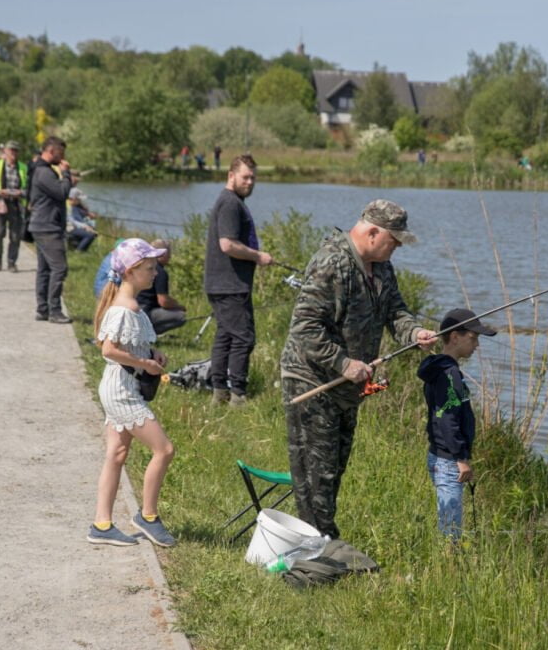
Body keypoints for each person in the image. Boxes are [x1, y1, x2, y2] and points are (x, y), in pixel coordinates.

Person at [280, 200, 438, 538]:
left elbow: (395, 311)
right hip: (311, 381)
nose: (397, 247)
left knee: (333, 470)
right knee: (316, 476)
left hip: (347, 389)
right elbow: (305, 327)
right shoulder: (331, 262)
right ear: (372, 232)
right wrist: (343, 362)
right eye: (394, 240)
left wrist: (414, 333)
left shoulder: (382, 267)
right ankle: (317, 546)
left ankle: (318, 543)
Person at [88, 238, 176, 547]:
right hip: (121, 391)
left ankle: (101, 525)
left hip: (121, 386)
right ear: (130, 272)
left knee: (117, 453)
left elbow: (131, 343)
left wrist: (153, 353)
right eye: (149, 268)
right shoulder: (123, 310)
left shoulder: (133, 307)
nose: (155, 273)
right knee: (164, 450)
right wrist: (144, 364)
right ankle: (147, 516)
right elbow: (108, 349)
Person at [417, 308, 496, 540]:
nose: (477, 345)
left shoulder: (440, 368)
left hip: (441, 455)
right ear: (454, 337)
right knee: (451, 530)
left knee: (449, 521)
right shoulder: (449, 373)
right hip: (449, 460)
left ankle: (449, 555)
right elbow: (447, 418)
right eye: (473, 338)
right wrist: (461, 459)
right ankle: (449, 558)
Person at [204, 154, 273, 406]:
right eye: (245, 177)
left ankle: (220, 392)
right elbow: (227, 244)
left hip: (225, 283)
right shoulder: (230, 203)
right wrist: (258, 256)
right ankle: (238, 395)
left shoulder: (231, 201)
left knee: (226, 336)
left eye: (253, 178)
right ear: (231, 175)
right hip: (229, 284)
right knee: (244, 338)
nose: (250, 182)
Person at [28, 136, 74, 323]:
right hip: (47, 227)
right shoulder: (44, 172)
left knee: (45, 269)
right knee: (59, 268)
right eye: (60, 153)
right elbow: (62, 193)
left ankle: (43, 309)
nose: (62, 157)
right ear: (51, 151)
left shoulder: (41, 170)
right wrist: (66, 175)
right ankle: (54, 311)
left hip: (42, 225)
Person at [0, 140, 29, 272]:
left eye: (16, 150)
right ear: (5, 151)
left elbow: (28, 188)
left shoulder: (23, 168)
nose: (13, 153)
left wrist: (21, 193)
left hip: (16, 204)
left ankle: (11, 262)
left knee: (15, 236)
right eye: (11, 150)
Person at [137, 239, 187, 336]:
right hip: (146, 311)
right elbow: (163, 301)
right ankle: (148, 335)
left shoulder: (141, 266)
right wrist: (178, 306)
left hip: (133, 307)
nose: (170, 257)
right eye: (169, 253)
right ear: (162, 254)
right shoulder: (159, 272)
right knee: (181, 316)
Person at [66, 187, 98, 252]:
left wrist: (86, 226)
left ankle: (82, 251)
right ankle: (78, 251)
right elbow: (71, 221)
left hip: (72, 226)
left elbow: (73, 221)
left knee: (91, 232)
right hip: (68, 228)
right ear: (74, 198)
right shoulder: (68, 206)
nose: (80, 201)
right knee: (90, 235)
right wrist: (85, 227)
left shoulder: (72, 205)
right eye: (79, 199)